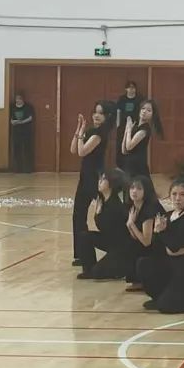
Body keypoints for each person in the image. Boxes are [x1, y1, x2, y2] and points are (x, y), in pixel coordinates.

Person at [136, 178, 184, 313]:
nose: (178, 198)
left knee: (165, 307)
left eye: (182, 194)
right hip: (171, 264)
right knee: (144, 264)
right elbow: (157, 244)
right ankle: (159, 296)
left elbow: (174, 246)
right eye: (174, 194)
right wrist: (154, 232)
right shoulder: (167, 215)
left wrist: (161, 231)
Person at [69, 102, 113, 267]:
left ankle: (115, 247)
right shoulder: (90, 131)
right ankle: (81, 254)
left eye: (100, 113)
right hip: (84, 177)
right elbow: (73, 149)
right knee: (78, 215)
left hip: (95, 178)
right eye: (95, 112)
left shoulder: (100, 134)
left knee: (104, 215)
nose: (96, 115)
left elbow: (82, 151)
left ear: (107, 116)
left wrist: (82, 135)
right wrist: (79, 128)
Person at [77, 169, 129, 280]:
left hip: (120, 247)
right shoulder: (102, 200)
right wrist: (98, 212)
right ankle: (88, 270)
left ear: (111, 184)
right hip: (110, 240)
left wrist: (98, 213)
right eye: (100, 178)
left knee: (97, 273)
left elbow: (108, 227)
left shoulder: (115, 205)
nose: (99, 181)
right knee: (84, 236)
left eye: (104, 179)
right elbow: (103, 228)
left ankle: (121, 269)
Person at [123, 174, 163, 291]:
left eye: (139, 188)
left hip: (159, 248)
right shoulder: (133, 206)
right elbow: (135, 237)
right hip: (147, 243)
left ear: (146, 191)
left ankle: (144, 280)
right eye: (132, 188)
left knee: (132, 246)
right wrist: (129, 225)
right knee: (128, 244)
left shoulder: (149, 208)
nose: (134, 191)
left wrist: (131, 224)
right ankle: (137, 279)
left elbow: (146, 242)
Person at [121, 99, 163, 178]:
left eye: (148, 110)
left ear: (152, 115)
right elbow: (124, 150)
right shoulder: (135, 127)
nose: (144, 111)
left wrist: (129, 130)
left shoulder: (144, 129)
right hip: (129, 164)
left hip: (138, 166)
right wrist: (127, 130)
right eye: (143, 108)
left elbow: (129, 146)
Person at [115, 81, 143, 168]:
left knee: (133, 145)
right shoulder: (122, 99)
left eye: (133, 87)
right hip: (123, 125)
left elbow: (142, 112)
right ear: (126, 89)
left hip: (135, 125)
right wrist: (118, 124)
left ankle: (132, 166)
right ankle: (121, 166)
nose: (131, 89)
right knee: (121, 145)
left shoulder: (139, 99)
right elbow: (118, 112)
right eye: (129, 87)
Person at [9, 93, 35, 173]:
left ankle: (28, 169)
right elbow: (11, 120)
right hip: (16, 132)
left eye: (20, 99)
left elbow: (30, 118)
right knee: (17, 151)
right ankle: (18, 169)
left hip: (26, 132)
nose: (18, 100)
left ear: (22, 99)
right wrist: (14, 122)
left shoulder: (28, 107)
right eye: (17, 99)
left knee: (27, 150)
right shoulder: (12, 107)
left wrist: (22, 122)